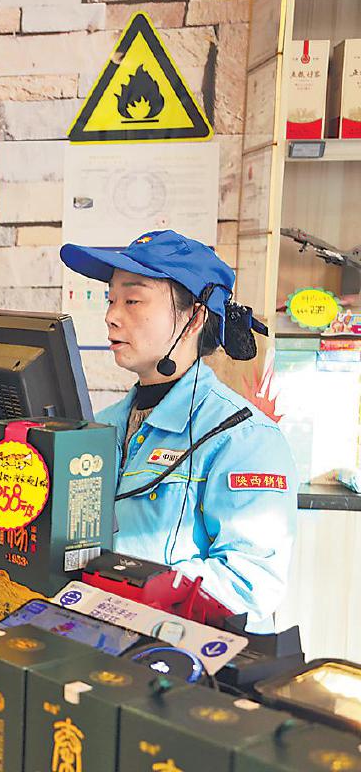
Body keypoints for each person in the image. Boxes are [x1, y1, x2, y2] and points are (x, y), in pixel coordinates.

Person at [61, 230, 297, 633]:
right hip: (98, 639)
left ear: (194, 317)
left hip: (182, 657)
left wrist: (132, 593)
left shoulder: (243, 439)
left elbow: (251, 581)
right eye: (111, 300)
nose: (111, 316)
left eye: (132, 300)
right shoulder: (100, 426)